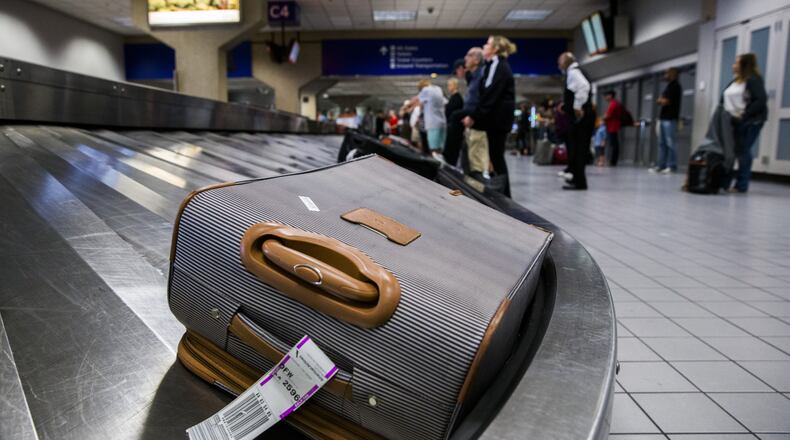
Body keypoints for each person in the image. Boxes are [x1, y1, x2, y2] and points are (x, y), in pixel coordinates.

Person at [464, 35, 517, 197]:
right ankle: (500, 190)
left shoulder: (500, 66)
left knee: (497, 155)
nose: (484, 46)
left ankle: (505, 195)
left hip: (499, 120)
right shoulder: (491, 66)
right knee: (494, 154)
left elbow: (490, 95)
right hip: (493, 118)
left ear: (495, 49)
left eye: (487, 44)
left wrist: (474, 116)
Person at [720, 53, 768, 193]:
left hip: (750, 121)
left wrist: (745, 115)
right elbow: (723, 99)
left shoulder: (753, 80)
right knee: (730, 151)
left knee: (742, 151)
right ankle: (725, 183)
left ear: (744, 65)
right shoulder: (735, 82)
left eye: (737, 63)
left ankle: (741, 185)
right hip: (732, 121)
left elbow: (761, 100)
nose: (733, 65)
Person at [557, 51, 594, 190]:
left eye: (560, 61)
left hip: (581, 118)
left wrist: (577, 107)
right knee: (576, 149)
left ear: (567, 61)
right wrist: (566, 106)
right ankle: (577, 179)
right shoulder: (574, 71)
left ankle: (580, 182)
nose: (558, 65)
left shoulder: (573, 71)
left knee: (578, 149)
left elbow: (583, 87)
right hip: (582, 116)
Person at [457, 47, 488, 179]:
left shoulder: (482, 76)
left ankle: (481, 195)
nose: (465, 58)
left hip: (478, 124)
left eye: (469, 56)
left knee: (476, 163)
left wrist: (473, 116)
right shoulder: (473, 77)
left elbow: (482, 101)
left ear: (476, 60)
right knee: (469, 160)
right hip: (470, 124)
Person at [650, 68, 682, 173]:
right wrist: (661, 100)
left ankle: (672, 165)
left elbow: (665, 101)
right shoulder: (668, 87)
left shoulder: (675, 86)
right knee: (662, 143)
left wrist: (661, 100)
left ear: (672, 74)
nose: (665, 75)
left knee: (671, 143)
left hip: (670, 119)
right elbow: (661, 100)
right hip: (663, 118)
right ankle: (661, 165)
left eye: (666, 73)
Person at [444, 78, 464, 166]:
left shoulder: (457, 98)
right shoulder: (453, 98)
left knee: (452, 152)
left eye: (449, 85)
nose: (448, 87)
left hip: (455, 130)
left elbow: (452, 113)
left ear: (454, 86)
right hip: (451, 128)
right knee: (449, 152)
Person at [603, 90, 623, 166]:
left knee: (614, 144)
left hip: (613, 127)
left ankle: (613, 161)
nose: (605, 98)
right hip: (612, 126)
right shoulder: (614, 103)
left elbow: (608, 115)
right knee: (614, 144)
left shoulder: (613, 104)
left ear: (610, 96)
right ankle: (613, 161)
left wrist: (602, 118)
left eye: (606, 96)